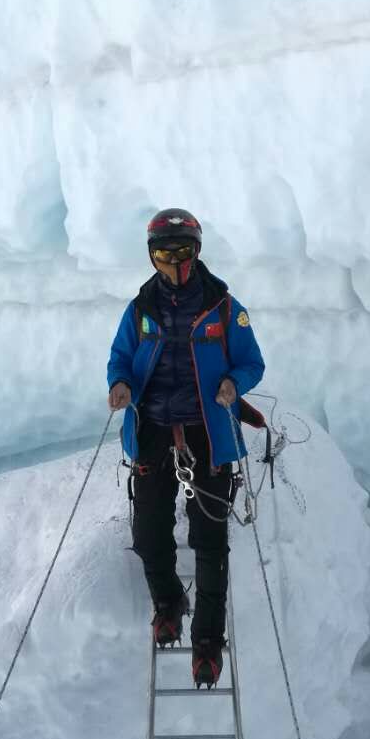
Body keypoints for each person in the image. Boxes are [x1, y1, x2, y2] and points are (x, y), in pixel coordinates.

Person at [107, 209, 265, 687]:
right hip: (153, 428)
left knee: (209, 540)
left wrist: (234, 385)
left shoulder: (224, 308)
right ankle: (169, 604)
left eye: (184, 252)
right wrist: (120, 383)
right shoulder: (139, 310)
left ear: (197, 252)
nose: (175, 263)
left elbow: (252, 362)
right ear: (152, 256)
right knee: (149, 532)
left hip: (207, 433)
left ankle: (207, 646)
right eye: (165, 253)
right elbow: (120, 357)